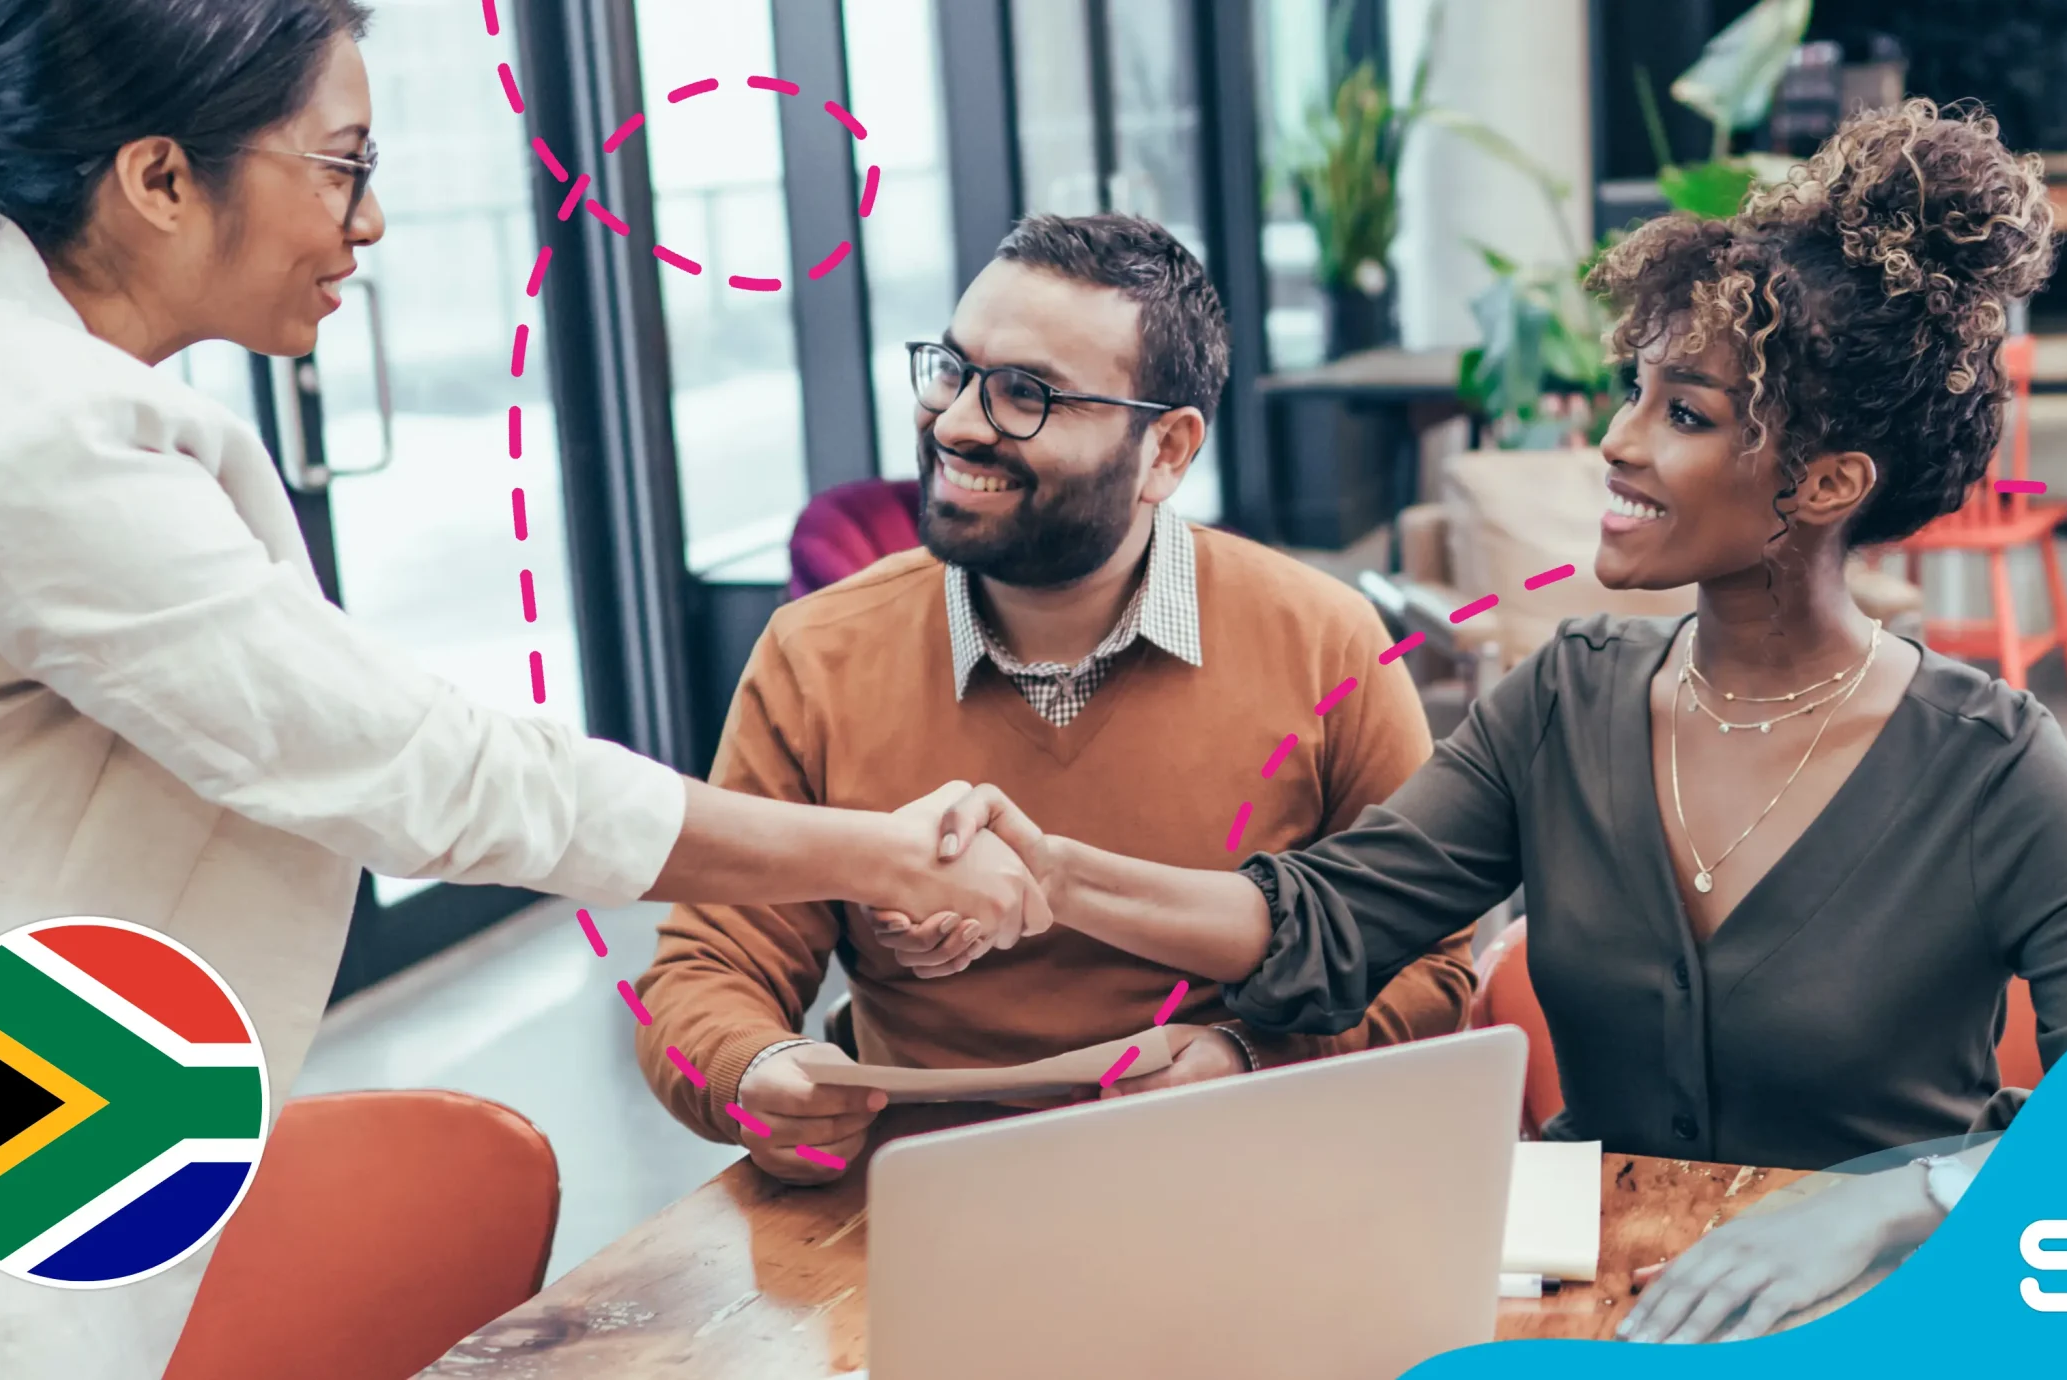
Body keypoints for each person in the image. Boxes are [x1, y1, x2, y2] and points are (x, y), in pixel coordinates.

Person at [0, 4, 1033, 1378]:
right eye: (341, 167)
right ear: (158, 180)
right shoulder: (31, 441)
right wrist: (873, 852)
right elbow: (429, 772)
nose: (370, 221)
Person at [883, 101, 2067, 1340]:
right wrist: (1050, 873)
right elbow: (1326, 920)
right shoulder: (1567, 700)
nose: (1614, 443)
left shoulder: (1991, 765)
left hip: (1878, 1317)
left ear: (1827, 483)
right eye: (1635, 389)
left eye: (1685, 413)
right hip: (1582, 1305)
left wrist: (1900, 1203)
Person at [632, 213, 1476, 1184]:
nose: (954, 423)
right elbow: (703, 972)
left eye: (1025, 395)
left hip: (1239, 1172)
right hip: (924, 1196)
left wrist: (1255, 1060)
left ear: (1165, 450)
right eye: (950, 370)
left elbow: (1429, 966)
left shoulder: (1323, 641)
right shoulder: (816, 653)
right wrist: (755, 1071)